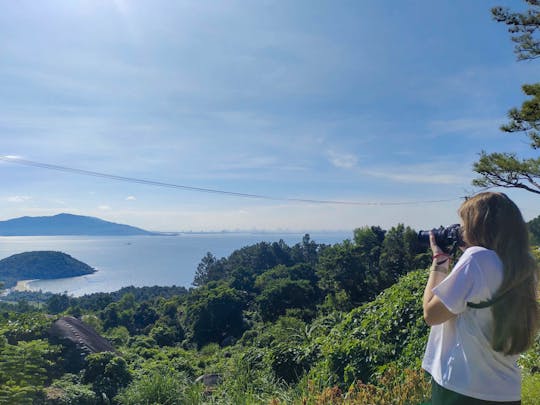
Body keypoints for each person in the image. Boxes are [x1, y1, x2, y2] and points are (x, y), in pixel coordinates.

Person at [422, 192, 539, 404]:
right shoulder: (525, 266)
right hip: (507, 391)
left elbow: (431, 314)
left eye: (464, 226)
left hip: (463, 388)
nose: (461, 232)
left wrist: (439, 262)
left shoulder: (477, 259)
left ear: (479, 226)